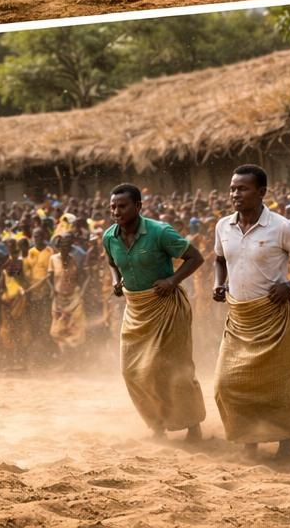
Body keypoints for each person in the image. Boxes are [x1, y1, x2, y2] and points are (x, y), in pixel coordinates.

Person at [210, 166, 290, 461]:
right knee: (228, 384)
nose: (235, 194)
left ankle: (287, 446)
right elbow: (219, 259)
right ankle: (249, 441)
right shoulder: (223, 226)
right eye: (232, 188)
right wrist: (219, 283)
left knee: (280, 386)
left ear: (261, 192)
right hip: (240, 318)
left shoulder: (281, 226)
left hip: (274, 317)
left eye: (242, 188)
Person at [101, 183, 207, 442]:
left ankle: (192, 426)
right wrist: (117, 280)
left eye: (122, 206)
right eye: (113, 207)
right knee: (133, 371)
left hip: (167, 307)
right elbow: (112, 262)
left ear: (138, 206)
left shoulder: (160, 232)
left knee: (175, 369)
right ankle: (157, 424)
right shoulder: (109, 237)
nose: (116, 211)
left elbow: (196, 258)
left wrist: (173, 280)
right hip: (136, 309)